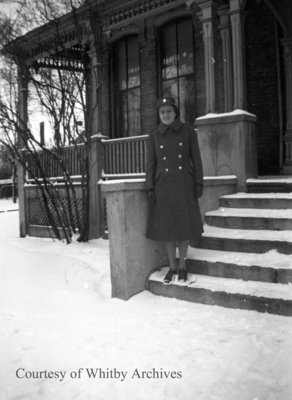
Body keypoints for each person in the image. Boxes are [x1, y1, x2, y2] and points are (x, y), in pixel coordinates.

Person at [145, 96, 203, 284]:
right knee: (168, 230)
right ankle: (171, 266)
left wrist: (198, 182)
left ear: (175, 112)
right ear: (158, 114)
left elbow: (197, 158)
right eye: (162, 112)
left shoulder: (187, 130)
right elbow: (150, 164)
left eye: (169, 111)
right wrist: (150, 186)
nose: (166, 115)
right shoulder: (154, 134)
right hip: (163, 187)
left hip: (184, 184)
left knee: (183, 229)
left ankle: (183, 266)